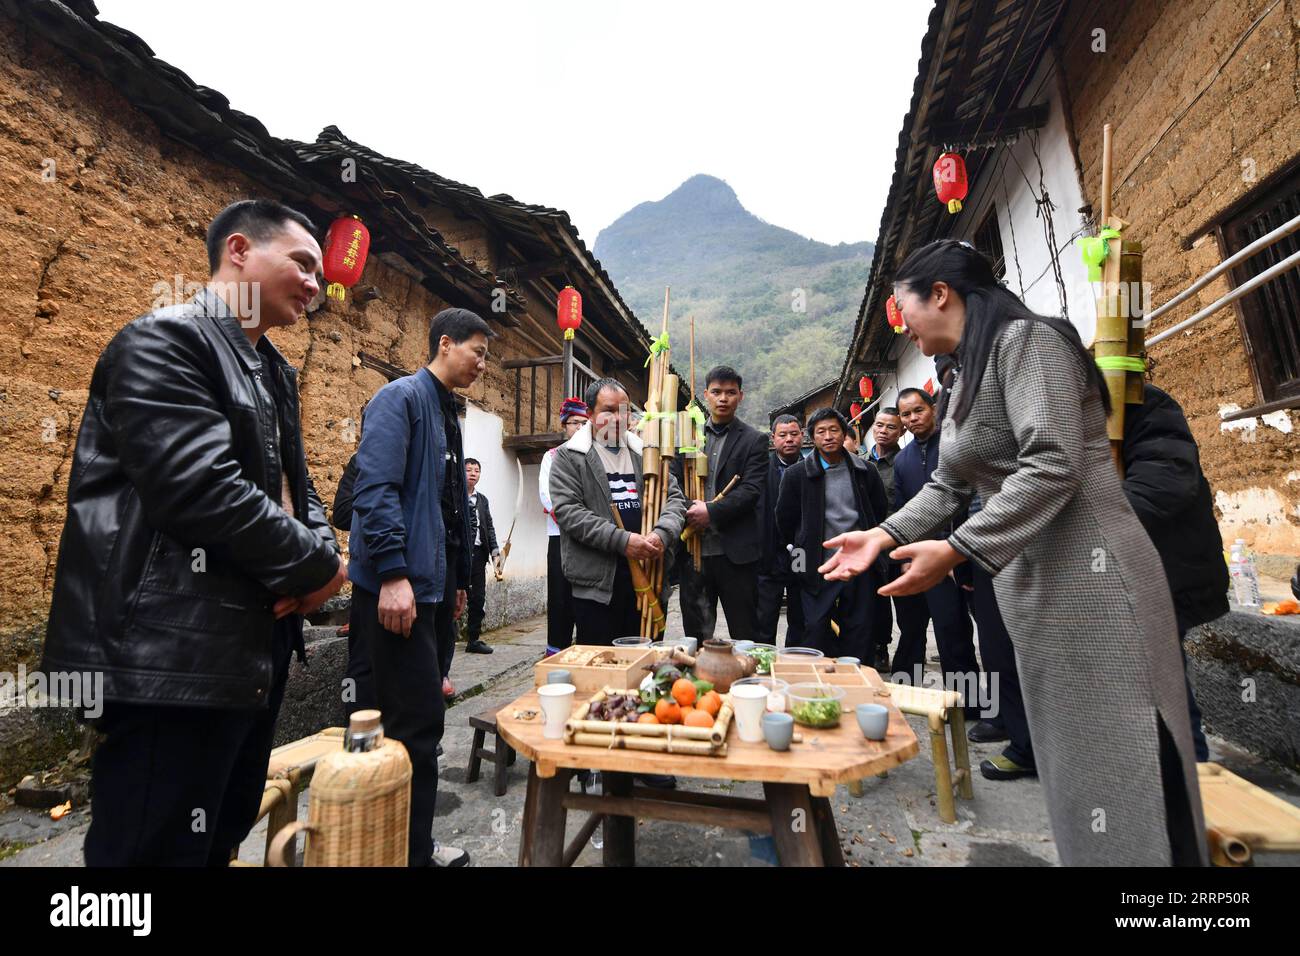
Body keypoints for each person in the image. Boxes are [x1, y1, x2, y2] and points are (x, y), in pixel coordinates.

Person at [820, 238, 1206, 866]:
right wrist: (884, 535)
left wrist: (957, 548)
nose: (903, 326)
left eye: (903, 308)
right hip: (1037, 581)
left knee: (1129, 753)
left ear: (939, 294)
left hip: (1093, 578)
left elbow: (1052, 462)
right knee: (1079, 760)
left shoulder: (1029, 342)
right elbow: (949, 483)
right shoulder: (968, 373)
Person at [43, 199, 347, 866]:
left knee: (218, 837)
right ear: (238, 251)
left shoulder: (273, 371)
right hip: (169, 656)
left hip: (247, 654)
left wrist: (323, 557)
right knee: (148, 856)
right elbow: (199, 488)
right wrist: (315, 570)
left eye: (321, 274)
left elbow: (302, 488)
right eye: (301, 263)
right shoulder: (166, 339)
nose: (315, 286)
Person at [348, 307, 492, 868]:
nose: (482, 363)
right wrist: (390, 574)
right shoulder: (400, 399)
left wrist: (456, 581)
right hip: (396, 590)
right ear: (445, 343)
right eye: (476, 351)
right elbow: (376, 490)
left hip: (429, 592)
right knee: (413, 720)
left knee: (413, 718)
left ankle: (394, 845)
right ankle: (410, 852)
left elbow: (449, 509)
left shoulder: (448, 415)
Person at [550, 377, 687, 645]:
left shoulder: (647, 453)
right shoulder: (570, 457)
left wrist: (662, 533)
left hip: (650, 573)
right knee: (603, 662)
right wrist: (622, 541)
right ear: (590, 414)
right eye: (608, 410)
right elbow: (569, 513)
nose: (618, 418)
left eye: (624, 410)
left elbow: (675, 500)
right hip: (598, 583)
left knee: (646, 661)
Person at [891, 387, 982, 721]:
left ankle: (986, 707)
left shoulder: (954, 445)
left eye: (919, 411)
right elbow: (903, 510)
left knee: (986, 637)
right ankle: (965, 705)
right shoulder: (903, 460)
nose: (913, 419)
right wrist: (905, 557)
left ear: (933, 408)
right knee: (948, 634)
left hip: (969, 551)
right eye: (906, 414)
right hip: (929, 558)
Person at [776, 407, 888, 660]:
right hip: (818, 565)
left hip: (858, 564)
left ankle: (856, 682)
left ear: (844, 433)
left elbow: (878, 513)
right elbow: (786, 524)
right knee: (813, 629)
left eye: (834, 430)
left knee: (859, 630)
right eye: (821, 432)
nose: (828, 436)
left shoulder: (865, 471)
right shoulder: (797, 475)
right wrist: (799, 568)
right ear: (812, 437)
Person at [678, 366, 770, 642]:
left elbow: (751, 490)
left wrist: (711, 512)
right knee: (695, 634)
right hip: (693, 552)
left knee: (745, 634)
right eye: (716, 392)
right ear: (705, 395)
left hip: (736, 556)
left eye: (730, 392)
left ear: (740, 396)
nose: (723, 398)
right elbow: (672, 482)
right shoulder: (688, 436)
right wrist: (689, 508)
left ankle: (747, 683)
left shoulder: (755, 440)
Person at [539, 397, 589, 655]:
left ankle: (585, 650)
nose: (579, 428)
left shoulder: (593, 457)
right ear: (564, 425)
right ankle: (556, 651)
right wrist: (578, 518)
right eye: (574, 423)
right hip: (561, 536)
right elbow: (549, 497)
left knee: (587, 596)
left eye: (584, 422)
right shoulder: (552, 457)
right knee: (560, 596)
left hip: (590, 539)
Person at [756, 414, 807, 645]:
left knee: (800, 613)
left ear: (802, 436)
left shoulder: (811, 468)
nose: (789, 440)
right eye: (783, 435)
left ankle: (795, 659)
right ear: (773, 438)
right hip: (769, 551)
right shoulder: (761, 468)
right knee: (765, 616)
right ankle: (765, 665)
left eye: (794, 434)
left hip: (800, 552)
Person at [867, 406, 909, 673]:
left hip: (902, 543)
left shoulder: (905, 462)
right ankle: (880, 647)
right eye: (880, 425)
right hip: (872, 546)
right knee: (876, 603)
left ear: (901, 430)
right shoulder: (861, 463)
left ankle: (908, 660)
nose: (883, 432)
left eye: (891, 427)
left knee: (907, 607)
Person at [463, 457, 501, 656]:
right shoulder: (455, 496)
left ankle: (473, 639)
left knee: (478, 598)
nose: (472, 473)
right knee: (454, 598)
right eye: (468, 469)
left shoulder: (482, 500)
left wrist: (495, 551)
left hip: (479, 555)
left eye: (476, 470)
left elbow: (489, 526)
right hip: (459, 555)